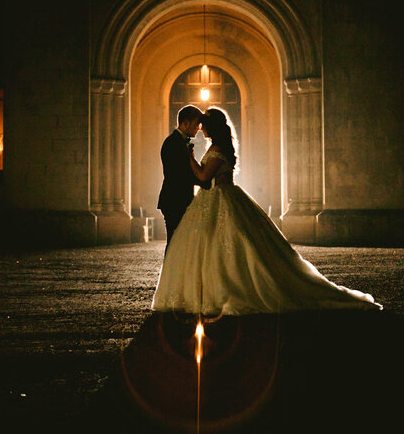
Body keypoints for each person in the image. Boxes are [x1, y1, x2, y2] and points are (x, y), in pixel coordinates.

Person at [152, 107, 381, 315]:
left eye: (203, 126)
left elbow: (203, 176)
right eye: (197, 125)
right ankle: (196, 288)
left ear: (212, 128)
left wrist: (190, 156)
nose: (200, 130)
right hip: (199, 199)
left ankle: (220, 289)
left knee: (226, 244)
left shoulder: (218, 148)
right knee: (198, 245)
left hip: (218, 197)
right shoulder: (205, 146)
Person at [157, 104, 207, 252]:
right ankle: (170, 273)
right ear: (185, 123)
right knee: (174, 242)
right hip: (174, 199)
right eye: (196, 124)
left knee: (180, 241)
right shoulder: (173, 143)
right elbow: (181, 174)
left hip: (180, 198)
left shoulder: (181, 141)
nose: (198, 128)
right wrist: (205, 179)